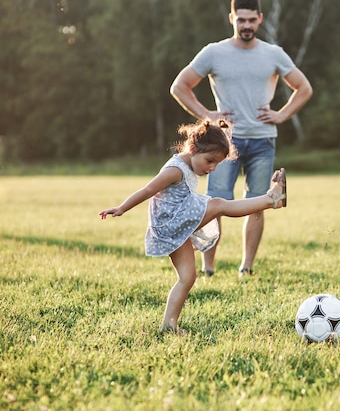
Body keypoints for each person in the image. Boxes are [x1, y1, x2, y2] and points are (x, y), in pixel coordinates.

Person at [170, 0, 312, 279]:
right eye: (241, 19)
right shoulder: (214, 52)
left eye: (251, 20)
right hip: (224, 144)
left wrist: (282, 115)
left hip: (263, 140)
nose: (246, 25)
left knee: (259, 203)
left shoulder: (273, 53)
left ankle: (246, 267)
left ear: (259, 19)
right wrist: (207, 115)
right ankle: (209, 268)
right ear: (231, 18)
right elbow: (180, 86)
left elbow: (304, 88)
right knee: (214, 204)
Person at [99, 119, 287, 334]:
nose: (212, 168)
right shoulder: (175, 170)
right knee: (218, 205)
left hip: (176, 227)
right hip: (171, 223)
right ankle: (272, 199)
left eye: (216, 164)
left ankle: (168, 325)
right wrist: (122, 207)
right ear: (193, 148)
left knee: (188, 277)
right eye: (209, 161)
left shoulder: (191, 166)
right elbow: (148, 189)